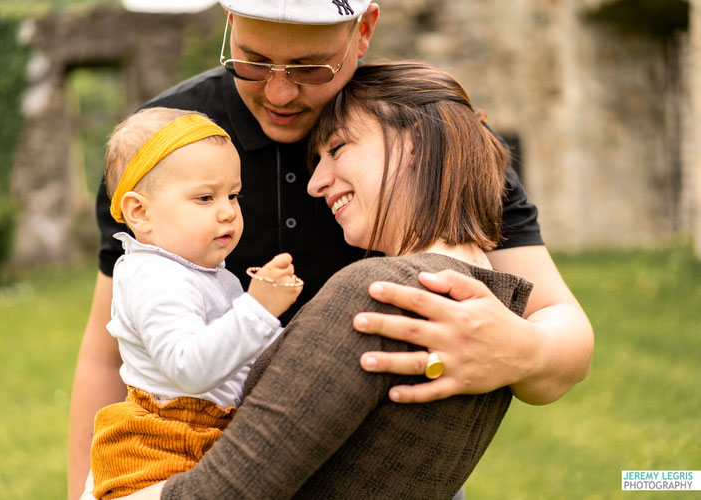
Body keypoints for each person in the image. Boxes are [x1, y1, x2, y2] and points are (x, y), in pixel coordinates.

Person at [68, 2, 594, 498]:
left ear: (363, 31)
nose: (277, 92)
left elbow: (559, 325)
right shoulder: (160, 146)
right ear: (229, 22)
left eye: (310, 67)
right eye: (252, 62)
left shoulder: (427, 137)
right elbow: (108, 349)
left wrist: (520, 349)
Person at [116, 61, 534, 500]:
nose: (314, 184)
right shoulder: (491, 308)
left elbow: (224, 492)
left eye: (337, 149)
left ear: (414, 143)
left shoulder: (375, 295)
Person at [88, 107, 303, 499]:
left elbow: (243, 359)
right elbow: (188, 367)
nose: (228, 211)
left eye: (233, 195)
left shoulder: (204, 272)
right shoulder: (154, 277)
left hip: (205, 432)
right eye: (205, 197)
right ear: (140, 212)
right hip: (159, 447)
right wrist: (257, 310)